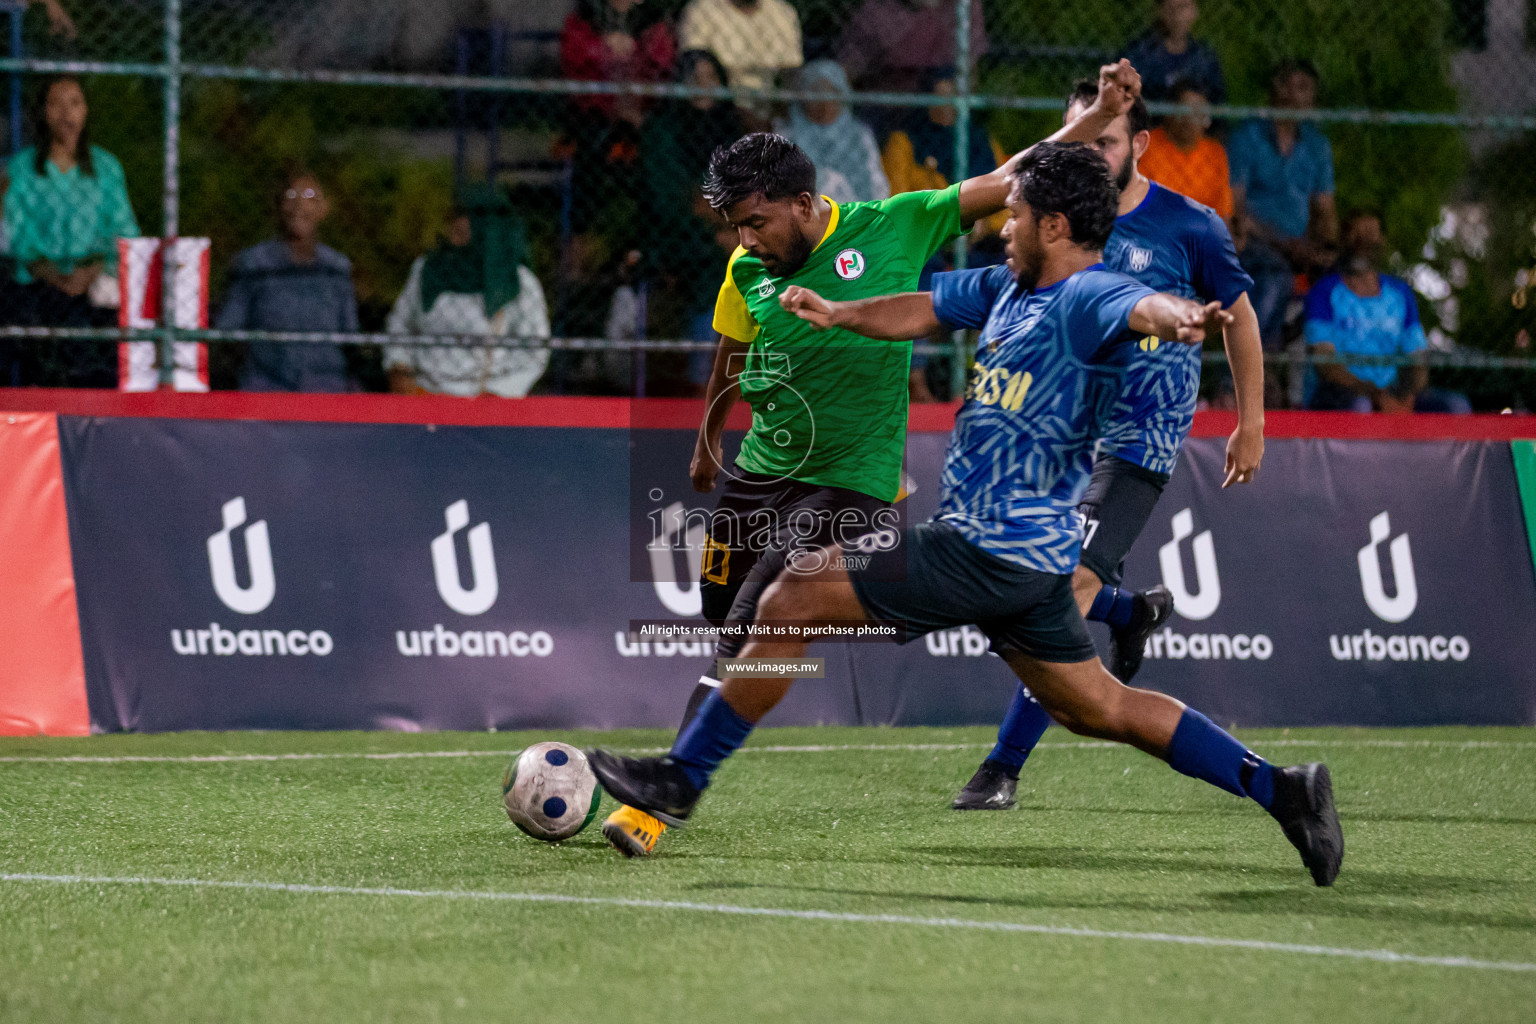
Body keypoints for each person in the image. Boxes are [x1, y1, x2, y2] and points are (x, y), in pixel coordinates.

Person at [587, 142, 1343, 889]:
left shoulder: (1088, 294)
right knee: (1100, 707)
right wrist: (839, 310)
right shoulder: (1009, 286)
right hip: (1033, 569)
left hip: (984, 550)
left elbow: (1137, 305)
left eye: (1013, 217)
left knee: (792, 597)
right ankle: (1284, 788)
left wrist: (1177, 316)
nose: (1001, 226)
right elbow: (918, 307)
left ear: (1052, 227)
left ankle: (682, 779)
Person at [598, 63, 1148, 860]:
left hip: (852, 477)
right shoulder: (749, 266)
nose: (745, 240)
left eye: (755, 221)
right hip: (760, 469)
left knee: (762, 616)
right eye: (735, 227)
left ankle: (663, 801)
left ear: (802, 202)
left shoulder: (895, 223)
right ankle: (1121, 610)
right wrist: (708, 437)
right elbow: (732, 345)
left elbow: (1008, 180)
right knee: (724, 627)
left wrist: (1093, 115)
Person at [947, 77, 1266, 813]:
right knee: (1037, 583)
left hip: (1134, 446)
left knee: (1057, 592)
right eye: (1082, 140)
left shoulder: (1190, 226)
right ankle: (1132, 614)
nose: (1093, 154)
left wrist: (1250, 422)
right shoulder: (1050, 224)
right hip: (1059, 441)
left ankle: (1002, 768)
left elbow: (1240, 319)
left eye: (1108, 142)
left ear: (1141, 145)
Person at [3, 76, 139, 386]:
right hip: (39, 282)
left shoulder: (106, 167)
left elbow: (123, 230)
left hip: (95, 281)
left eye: (75, 103)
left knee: (91, 328)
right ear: (43, 113)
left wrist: (91, 270)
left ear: (86, 111)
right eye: (56, 104)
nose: (67, 113)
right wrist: (50, 271)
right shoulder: (22, 169)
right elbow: (17, 231)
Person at [641, 49, 747, 387]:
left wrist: (734, 229)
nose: (703, 87)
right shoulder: (662, 130)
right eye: (694, 79)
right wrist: (720, 228)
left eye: (711, 79)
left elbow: (749, 193)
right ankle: (703, 378)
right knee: (711, 266)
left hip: (733, 230)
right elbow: (676, 200)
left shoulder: (733, 129)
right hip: (674, 231)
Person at [384, 188, 550, 399]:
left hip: (486, 399)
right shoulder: (427, 269)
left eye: (465, 216)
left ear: (489, 223)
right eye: (453, 215)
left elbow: (535, 350)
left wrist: (500, 392)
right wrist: (399, 366)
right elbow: (400, 323)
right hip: (424, 394)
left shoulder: (518, 280)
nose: (455, 222)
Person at [1304, 210, 1468, 414]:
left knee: (1456, 407)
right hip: (1342, 394)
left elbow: (1417, 358)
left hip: (1393, 393)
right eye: (1355, 235)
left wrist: (1408, 397)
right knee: (1360, 407)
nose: (1362, 244)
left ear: (1383, 241)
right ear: (1343, 241)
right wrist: (1373, 395)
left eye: (1370, 235)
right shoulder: (1324, 292)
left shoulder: (1400, 294)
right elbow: (1326, 363)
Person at [1227, 59, 1337, 349]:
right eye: (1287, 85)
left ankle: (1311, 384)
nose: (1294, 96)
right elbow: (1236, 210)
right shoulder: (1246, 137)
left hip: (1300, 248)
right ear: (1274, 90)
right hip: (1254, 244)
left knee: (1344, 280)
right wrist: (1286, 244)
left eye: (1304, 89)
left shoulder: (1316, 145)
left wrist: (1325, 248)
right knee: (1274, 277)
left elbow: (1325, 209)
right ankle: (1242, 377)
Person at [216, 172, 360, 392]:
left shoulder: (337, 268)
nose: (300, 205)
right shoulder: (254, 265)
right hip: (266, 386)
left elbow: (350, 336)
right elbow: (229, 329)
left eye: (310, 197)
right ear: (279, 205)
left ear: (324, 209)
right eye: (291, 196)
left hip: (325, 387)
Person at [774, 60, 888, 204]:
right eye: (815, 94)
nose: (824, 104)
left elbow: (877, 184)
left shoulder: (859, 136)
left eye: (832, 93)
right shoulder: (786, 136)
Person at [837, 0, 986, 97]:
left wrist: (953, 93)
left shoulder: (964, 6)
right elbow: (848, 68)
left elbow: (971, 74)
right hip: (888, 102)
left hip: (939, 105)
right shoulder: (879, 7)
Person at [1138, 79, 1233, 223]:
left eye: (1198, 112)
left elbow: (1223, 214)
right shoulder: (1147, 147)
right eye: (1185, 110)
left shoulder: (1215, 152)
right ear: (1169, 112)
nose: (1190, 120)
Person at [677, 0, 802, 94]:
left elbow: (791, 67)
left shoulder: (783, 11)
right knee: (701, 72)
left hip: (772, 94)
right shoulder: (701, 8)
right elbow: (694, 55)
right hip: (725, 96)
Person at [1121, 0, 1225, 104]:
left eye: (1183, 7)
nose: (1178, 16)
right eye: (1171, 8)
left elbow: (1217, 104)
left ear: (1194, 11)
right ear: (1160, 11)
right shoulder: (1141, 53)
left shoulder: (1204, 58)